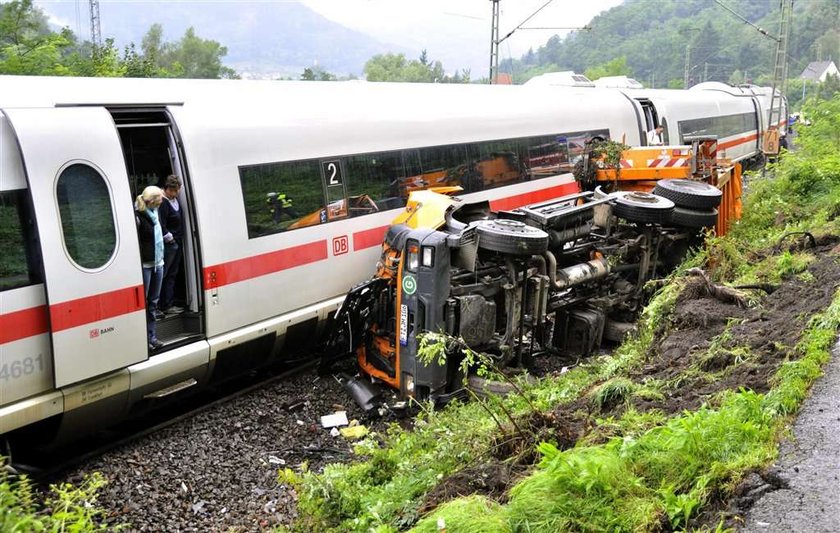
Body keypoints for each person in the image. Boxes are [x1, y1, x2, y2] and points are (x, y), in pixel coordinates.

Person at [136, 186, 165, 351]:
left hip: (158, 263)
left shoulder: (155, 213)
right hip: (145, 265)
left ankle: (152, 336)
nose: (161, 203)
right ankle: (143, 338)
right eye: (159, 200)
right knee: (144, 303)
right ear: (151, 201)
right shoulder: (138, 217)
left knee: (153, 302)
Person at [158, 175, 184, 315]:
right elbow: (161, 224)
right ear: (167, 188)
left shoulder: (174, 200)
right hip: (170, 244)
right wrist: (170, 238)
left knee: (172, 273)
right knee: (166, 274)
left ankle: (168, 302)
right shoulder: (163, 202)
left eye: (176, 190)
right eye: (172, 190)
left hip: (177, 242)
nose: (174, 193)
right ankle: (165, 304)